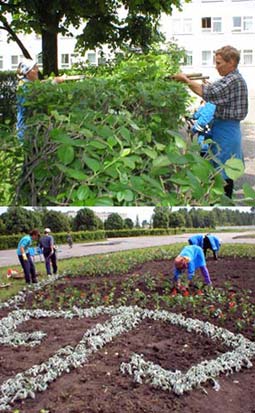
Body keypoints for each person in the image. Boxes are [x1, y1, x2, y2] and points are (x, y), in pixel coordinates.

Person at [173, 45, 248, 198]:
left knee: (223, 172)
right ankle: (216, 200)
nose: (216, 67)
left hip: (227, 131)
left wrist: (186, 80)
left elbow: (207, 93)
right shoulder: (229, 78)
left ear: (231, 62)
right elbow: (212, 91)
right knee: (217, 168)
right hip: (223, 129)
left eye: (219, 63)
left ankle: (223, 202)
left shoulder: (233, 79)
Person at [16, 59, 65, 143]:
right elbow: (37, 94)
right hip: (27, 130)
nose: (37, 70)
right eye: (35, 68)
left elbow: (38, 85)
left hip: (30, 128)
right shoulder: (25, 87)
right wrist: (53, 82)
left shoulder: (26, 83)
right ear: (28, 72)